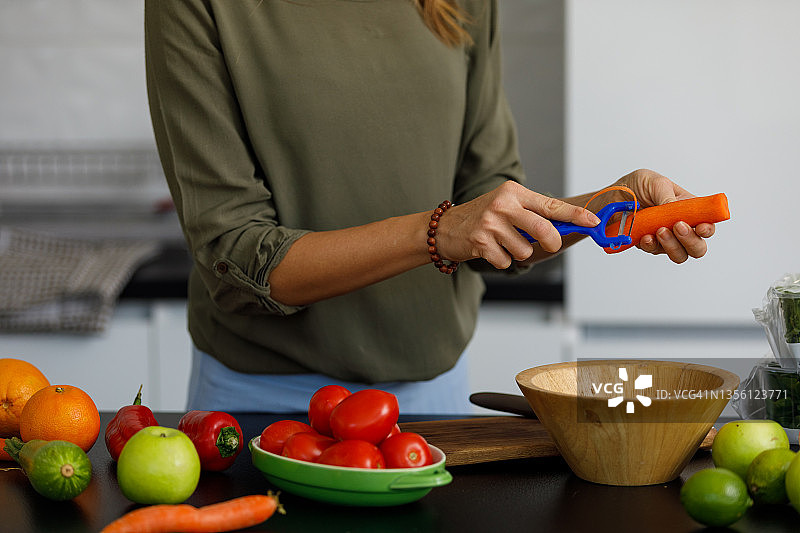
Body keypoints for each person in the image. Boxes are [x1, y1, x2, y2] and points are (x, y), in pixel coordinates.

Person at [144, 0, 715, 414]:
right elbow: (237, 257)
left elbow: (489, 201)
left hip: (433, 395)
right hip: (261, 400)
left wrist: (603, 207)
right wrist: (440, 232)